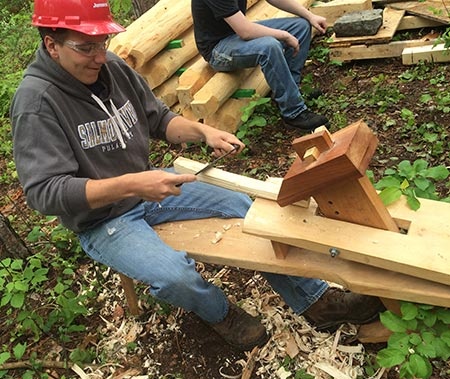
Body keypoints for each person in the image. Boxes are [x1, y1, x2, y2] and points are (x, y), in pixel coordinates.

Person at [11, 0, 384, 352]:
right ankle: (220, 314)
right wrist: (134, 184)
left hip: (148, 186)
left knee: (248, 209)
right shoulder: (37, 102)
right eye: (86, 47)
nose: (99, 56)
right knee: (176, 277)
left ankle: (314, 300)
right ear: (52, 44)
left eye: (102, 42)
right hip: (103, 219)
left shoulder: (112, 67)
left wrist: (203, 132)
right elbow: (45, 193)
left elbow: (158, 119)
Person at [192, 0, 330, 132]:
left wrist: (310, 16)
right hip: (218, 49)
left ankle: (291, 94)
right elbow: (245, 31)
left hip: (235, 35)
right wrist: (284, 36)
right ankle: (293, 113)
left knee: (300, 26)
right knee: (269, 46)